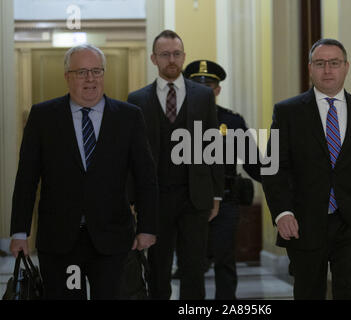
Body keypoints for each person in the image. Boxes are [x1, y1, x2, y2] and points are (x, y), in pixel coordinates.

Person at [9, 44, 158, 300]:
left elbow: (146, 177)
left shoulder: (129, 117)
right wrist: (19, 232)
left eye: (96, 71)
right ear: (67, 76)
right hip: (60, 240)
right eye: (82, 72)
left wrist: (147, 227)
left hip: (113, 239)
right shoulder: (43, 116)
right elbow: (27, 178)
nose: (90, 79)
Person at [262, 39, 351, 300]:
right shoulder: (287, 112)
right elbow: (273, 168)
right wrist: (282, 213)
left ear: (346, 67)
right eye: (320, 63)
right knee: (308, 293)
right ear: (310, 68)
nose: (327, 70)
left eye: (334, 63)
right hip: (303, 223)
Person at [127, 31, 225, 300]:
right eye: (165, 54)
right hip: (155, 199)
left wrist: (216, 194)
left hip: (195, 196)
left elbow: (212, 145)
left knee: (194, 268)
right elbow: (131, 156)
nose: (172, 60)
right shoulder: (137, 100)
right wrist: (132, 198)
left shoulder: (203, 96)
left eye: (176, 54)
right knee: (157, 270)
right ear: (153, 58)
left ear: (183, 56)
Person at [181, 60, 262, 299]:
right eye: (198, 84)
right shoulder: (177, 120)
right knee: (190, 264)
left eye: (210, 84)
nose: (205, 89)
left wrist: (283, 182)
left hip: (225, 200)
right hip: (187, 202)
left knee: (225, 261)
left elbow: (254, 163)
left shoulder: (232, 121)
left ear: (217, 89)